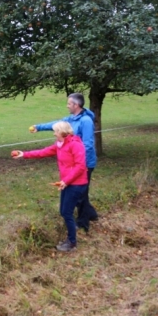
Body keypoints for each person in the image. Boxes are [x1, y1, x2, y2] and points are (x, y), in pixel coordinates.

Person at [13, 121, 88, 252]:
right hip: (67, 182)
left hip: (76, 183)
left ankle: (72, 242)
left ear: (63, 133)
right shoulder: (60, 145)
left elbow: (80, 166)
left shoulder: (75, 145)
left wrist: (66, 181)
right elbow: (43, 152)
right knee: (64, 211)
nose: (54, 133)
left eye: (56, 131)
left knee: (66, 212)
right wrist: (23, 154)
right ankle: (72, 234)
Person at [30, 92, 98, 232]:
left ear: (76, 105)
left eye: (69, 103)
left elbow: (88, 145)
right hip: (73, 163)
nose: (67, 106)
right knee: (81, 194)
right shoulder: (71, 118)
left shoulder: (86, 121)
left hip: (83, 163)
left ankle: (83, 223)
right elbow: (57, 125)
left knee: (81, 195)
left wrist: (81, 165)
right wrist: (39, 127)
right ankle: (92, 215)